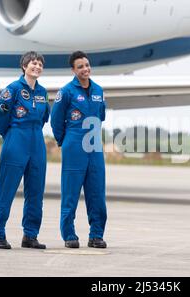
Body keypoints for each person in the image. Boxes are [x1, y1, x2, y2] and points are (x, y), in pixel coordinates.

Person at [0, 52, 50, 249]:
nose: (37, 66)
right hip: (16, 140)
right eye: (33, 63)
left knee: (35, 192)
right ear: (24, 66)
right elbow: (2, 118)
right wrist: (11, 136)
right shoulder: (13, 89)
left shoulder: (43, 92)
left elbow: (43, 119)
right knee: (6, 190)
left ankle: (30, 235)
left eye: (40, 64)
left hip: (36, 142)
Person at [51, 51, 107, 249]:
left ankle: (96, 235)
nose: (85, 69)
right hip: (74, 145)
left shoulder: (99, 90)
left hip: (94, 147)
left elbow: (101, 115)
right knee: (70, 193)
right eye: (80, 66)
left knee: (97, 193)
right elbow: (56, 120)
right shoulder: (66, 91)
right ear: (73, 70)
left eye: (87, 65)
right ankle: (69, 235)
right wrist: (64, 142)